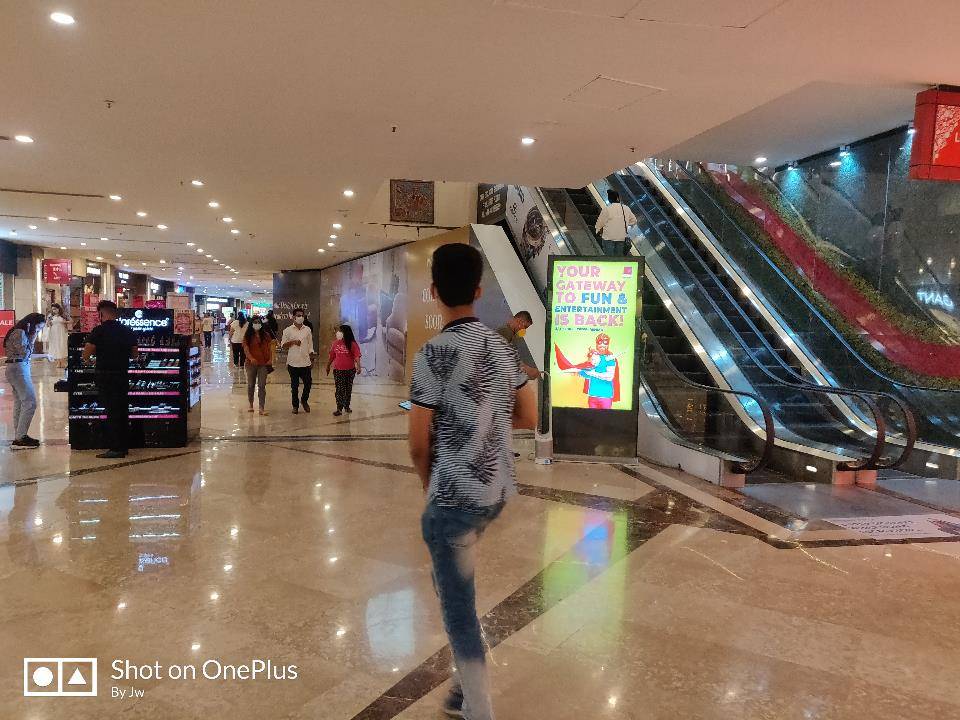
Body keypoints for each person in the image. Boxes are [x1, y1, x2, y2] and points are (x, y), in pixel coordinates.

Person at [408, 243, 538, 720]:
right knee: (450, 580)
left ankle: (477, 708)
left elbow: (419, 441)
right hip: (496, 490)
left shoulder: (434, 353)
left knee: (458, 607)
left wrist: (430, 485)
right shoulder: (503, 349)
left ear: (434, 291)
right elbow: (528, 415)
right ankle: (463, 689)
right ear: (480, 290)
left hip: (454, 495)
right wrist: (486, 420)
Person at [82, 300, 137, 458]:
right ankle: (123, 445)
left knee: (111, 411)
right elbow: (134, 354)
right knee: (122, 410)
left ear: (101, 314)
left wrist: (92, 359)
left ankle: (115, 448)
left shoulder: (98, 331)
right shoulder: (127, 330)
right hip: (122, 374)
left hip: (105, 375)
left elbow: (86, 355)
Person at [4, 313, 46, 449]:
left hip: (18, 367)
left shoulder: (20, 332)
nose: (38, 331)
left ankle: (19, 435)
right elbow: (24, 353)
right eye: (39, 328)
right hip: (18, 368)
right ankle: (20, 438)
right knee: (30, 402)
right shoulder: (20, 333)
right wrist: (33, 338)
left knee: (20, 402)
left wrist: (45, 355)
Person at [281, 308, 315, 413]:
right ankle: (295, 406)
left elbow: (310, 345)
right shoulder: (287, 330)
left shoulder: (307, 329)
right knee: (294, 386)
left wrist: (312, 358)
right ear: (294, 317)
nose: (300, 317)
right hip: (293, 363)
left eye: (302, 315)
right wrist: (293, 342)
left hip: (305, 362)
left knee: (308, 383)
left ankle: (304, 400)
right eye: (298, 315)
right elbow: (283, 346)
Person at [495, 309, 541, 381]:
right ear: (519, 321)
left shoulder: (510, 333)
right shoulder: (505, 331)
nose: (524, 330)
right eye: (525, 327)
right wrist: (527, 369)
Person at [325, 324, 360, 416]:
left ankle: (347, 406)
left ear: (345, 333)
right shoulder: (335, 343)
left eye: (340, 331)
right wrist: (328, 366)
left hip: (350, 370)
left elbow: (356, 356)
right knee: (340, 389)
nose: (338, 333)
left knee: (348, 389)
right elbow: (332, 356)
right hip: (338, 370)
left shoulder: (352, 344)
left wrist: (359, 366)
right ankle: (339, 408)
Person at [242, 316, 273, 415]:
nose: (257, 324)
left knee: (262, 385)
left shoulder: (266, 335)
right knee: (251, 385)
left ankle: (261, 408)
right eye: (255, 322)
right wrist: (251, 358)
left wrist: (270, 359)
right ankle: (251, 404)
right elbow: (246, 349)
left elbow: (270, 348)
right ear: (251, 324)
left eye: (259, 322)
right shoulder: (247, 336)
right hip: (250, 364)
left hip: (263, 363)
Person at [595, 188, 637, 256]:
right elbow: (634, 221)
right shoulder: (626, 208)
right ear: (618, 198)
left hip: (608, 238)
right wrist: (624, 223)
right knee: (619, 258)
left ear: (609, 200)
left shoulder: (607, 209)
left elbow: (599, 225)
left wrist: (599, 233)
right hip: (621, 238)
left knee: (610, 259)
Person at [46, 303, 69, 368]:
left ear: (58, 309)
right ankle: (58, 362)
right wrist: (48, 321)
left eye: (55, 309)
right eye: (53, 309)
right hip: (54, 332)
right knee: (56, 346)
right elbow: (48, 325)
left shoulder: (63, 315)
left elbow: (71, 321)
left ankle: (62, 362)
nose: (54, 311)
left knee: (61, 345)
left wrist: (65, 322)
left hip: (62, 332)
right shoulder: (51, 316)